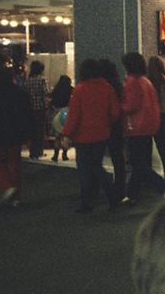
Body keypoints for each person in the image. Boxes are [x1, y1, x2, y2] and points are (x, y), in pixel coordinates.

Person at [61, 59, 121, 213]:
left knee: (84, 170)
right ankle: (112, 196)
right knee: (97, 166)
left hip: (83, 137)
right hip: (102, 134)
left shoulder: (79, 90)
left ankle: (87, 202)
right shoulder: (107, 88)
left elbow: (73, 115)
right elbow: (115, 112)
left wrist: (66, 134)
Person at [121, 52, 165, 204]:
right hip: (148, 127)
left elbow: (131, 106)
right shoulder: (146, 81)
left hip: (136, 128)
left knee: (138, 165)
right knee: (140, 164)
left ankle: (164, 186)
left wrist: (118, 106)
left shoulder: (132, 81)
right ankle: (132, 195)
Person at [0, 65, 34, 207]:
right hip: (17, 131)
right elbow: (28, 114)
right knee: (15, 162)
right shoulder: (21, 93)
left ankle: (7, 186)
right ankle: (16, 198)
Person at [99, 59, 127, 201]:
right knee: (118, 160)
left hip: (103, 125)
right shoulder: (118, 86)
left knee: (96, 160)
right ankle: (120, 188)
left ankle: (102, 189)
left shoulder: (102, 87)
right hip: (117, 126)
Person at [148, 55, 165, 185]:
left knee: (146, 153)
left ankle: (150, 181)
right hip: (162, 119)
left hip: (148, 120)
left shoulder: (147, 83)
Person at [25, 60, 50, 159]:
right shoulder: (41, 80)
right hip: (40, 108)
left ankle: (32, 151)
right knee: (39, 131)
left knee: (32, 131)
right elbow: (45, 93)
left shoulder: (28, 80)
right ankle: (38, 151)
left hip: (30, 109)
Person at [48, 75, 73, 162]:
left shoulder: (56, 90)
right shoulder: (71, 89)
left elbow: (51, 102)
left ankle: (55, 155)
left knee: (57, 136)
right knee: (66, 135)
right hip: (67, 112)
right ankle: (64, 155)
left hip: (57, 113)